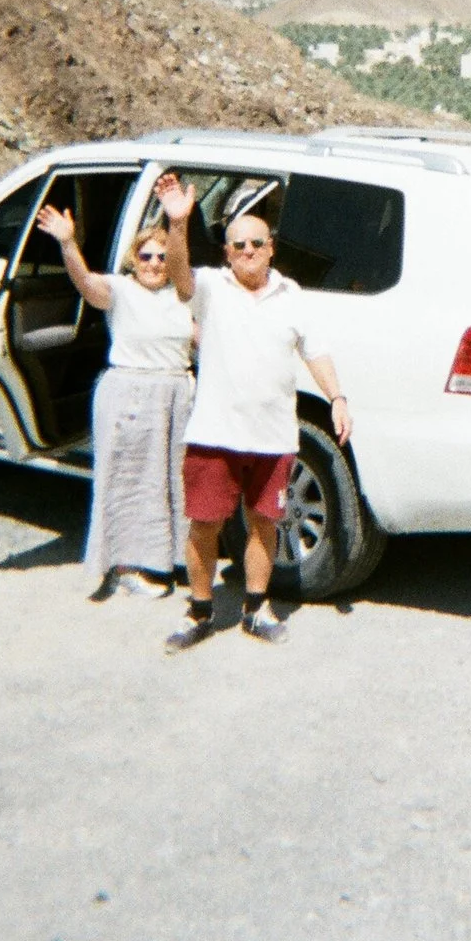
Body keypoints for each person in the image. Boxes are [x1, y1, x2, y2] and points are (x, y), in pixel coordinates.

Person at [158, 177, 351, 652]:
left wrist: (337, 397)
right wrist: (179, 224)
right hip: (214, 434)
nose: (248, 251)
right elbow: (179, 275)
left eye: (256, 244)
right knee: (204, 525)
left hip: (273, 436)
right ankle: (199, 610)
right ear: (227, 252)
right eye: (239, 245)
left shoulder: (292, 295)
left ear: (271, 249)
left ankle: (256, 608)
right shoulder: (211, 287)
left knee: (264, 523)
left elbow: (316, 351)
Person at [33, 176, 195, 603]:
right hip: (130, 395)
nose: (155, 263)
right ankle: (125, 567)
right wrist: (68, 244)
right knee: (129, 482)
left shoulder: (184, 296)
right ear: (132, 259)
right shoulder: (120, 290)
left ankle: (167, 560)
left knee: (170, 483)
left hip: (176, 396)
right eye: (146, 255)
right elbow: (86, 285)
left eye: (162, 256)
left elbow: (204, 338)